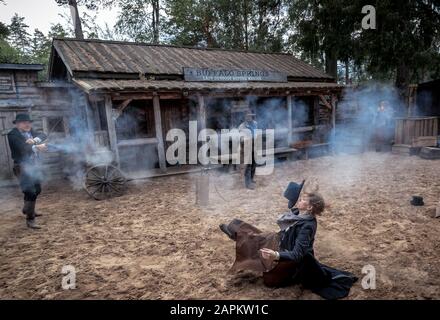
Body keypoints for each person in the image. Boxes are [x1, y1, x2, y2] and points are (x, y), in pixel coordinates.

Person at [219, 181, 357, 300]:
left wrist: (276, 255)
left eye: (302, 200)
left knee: (270, 281)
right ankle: (236, 235)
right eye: (300, 198)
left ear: (309, 207)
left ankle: (293, 275)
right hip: (280, 241)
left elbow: (297, 254)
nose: (299, 201)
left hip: (292, 258)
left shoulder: (307, 226)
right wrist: (299, 191)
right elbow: (292, 200)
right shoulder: (299, 213)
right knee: (250, 235)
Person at [7, 113, 48, 229]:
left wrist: (35, 140)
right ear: (17, 124)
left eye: (28, 122)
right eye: (24, 122)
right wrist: (37, 147)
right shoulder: (12, 134)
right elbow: (22, 148)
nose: (27, 124)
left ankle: (28, 209)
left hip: (34, 166)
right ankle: (30, 220)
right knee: (30, 191)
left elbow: (43, 134)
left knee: (37, 189)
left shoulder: (31, 132)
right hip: (22, 166)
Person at [238, 112, 258, 190]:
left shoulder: (255, 123)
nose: (250, 117)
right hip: (246, 148)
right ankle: (248, 183)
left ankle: (251, 179)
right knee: (248, 165)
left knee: (254, 164)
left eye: (251, 116)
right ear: (245, 117)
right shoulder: (241, 126)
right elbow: (241, 138)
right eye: (248, 116)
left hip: (254, 147)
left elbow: (256, 133)